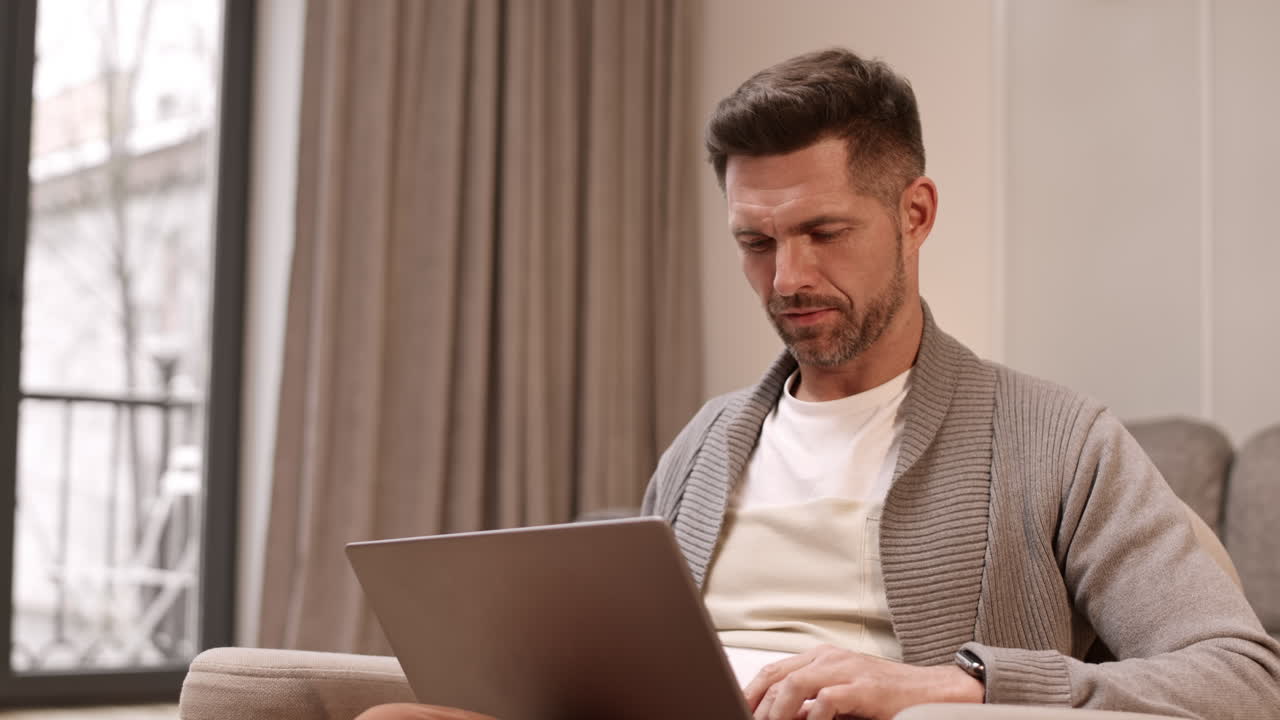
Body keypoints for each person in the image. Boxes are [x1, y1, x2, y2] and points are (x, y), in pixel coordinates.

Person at [359, 48, 1280, 720]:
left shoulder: (1056, 441)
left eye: (823, 233)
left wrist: (958, 683)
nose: (787, 277)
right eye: (755, 242)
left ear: (915, 213)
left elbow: (1241, 677)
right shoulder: (705, 444)